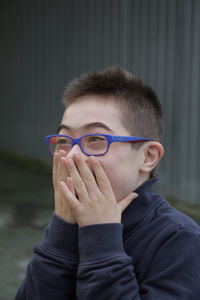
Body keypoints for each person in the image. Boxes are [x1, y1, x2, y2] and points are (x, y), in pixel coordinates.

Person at [15, 67, 200, 299]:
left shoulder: (181, 240)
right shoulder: (69, 223)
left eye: (95, 139)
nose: (72, 155)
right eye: (64, 140)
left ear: (148, 156)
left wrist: (100, 237)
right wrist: (62, 229)